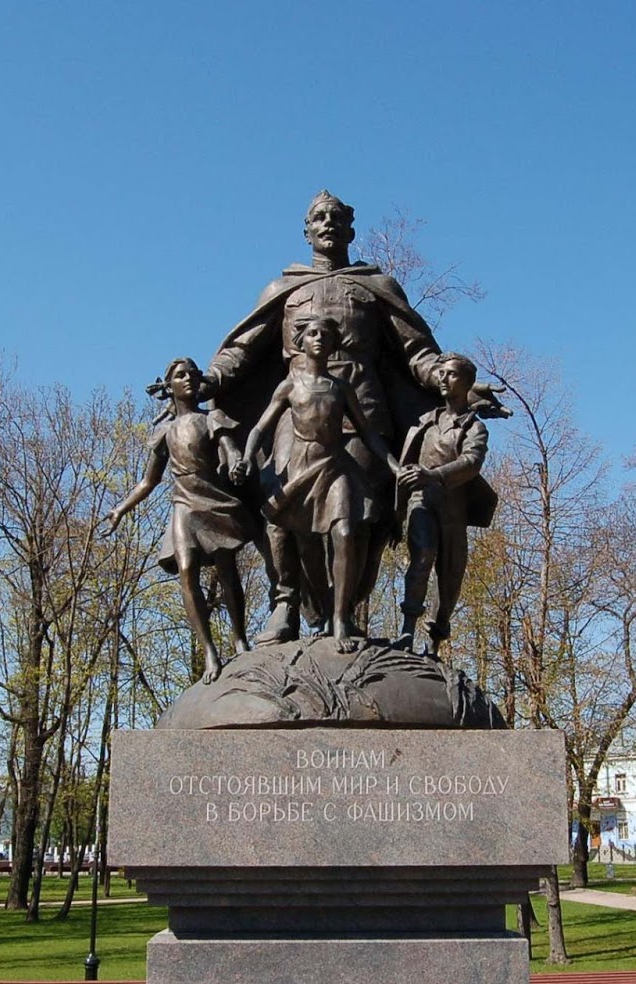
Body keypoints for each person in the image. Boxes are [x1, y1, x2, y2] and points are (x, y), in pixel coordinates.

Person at [204, 191, 449, 644]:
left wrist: (450, 380)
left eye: (337, 217)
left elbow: (416, 351)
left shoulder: (377, 287)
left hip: (363, 413)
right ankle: (286, 602)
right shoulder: (284, 290)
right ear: (307, 230)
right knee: (281, 507)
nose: (328, 223)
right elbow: (242, 350)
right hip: (297, 413)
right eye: (319, 217)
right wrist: (212, 379)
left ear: (351, 229)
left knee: (359, 520)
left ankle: (344, 611)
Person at [234, 313, 400, 651]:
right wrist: (248, 457)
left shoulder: (341, 388)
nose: (320, 339)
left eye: (326, 334)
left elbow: (367, 432)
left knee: (345, 532)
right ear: (302, 342)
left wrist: (395, 467)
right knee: (303, 545)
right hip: (301, 467)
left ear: (334, 343)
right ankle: (310, 610)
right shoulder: (290, 386)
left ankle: (340, 619)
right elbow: (260, 428)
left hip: (335, 465)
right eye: (313, 334)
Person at [105, 357, 257, 683]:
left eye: (192, 374)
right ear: (169, 385)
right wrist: (120, 509)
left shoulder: (211, 418)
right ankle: (209, 652)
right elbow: (148, 482)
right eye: (180, 375)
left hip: (213, 498)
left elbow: (230, 449)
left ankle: (239, 638)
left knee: (226, 571)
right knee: (187, 571)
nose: (187, 379)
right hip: (183, 504)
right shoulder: (164, 432)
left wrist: (235, 463)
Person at [395, 352, 498, 656]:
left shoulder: (474, 428)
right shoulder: (425, 421)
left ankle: (434, 641)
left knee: (450, 577)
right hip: (421, 501)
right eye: (441, 373)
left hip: (453, 508)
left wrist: (433, 475)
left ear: (466, 383)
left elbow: (471, 462)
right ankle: (406, 631)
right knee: (422, 556)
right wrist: (397, 509)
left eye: (451, 374)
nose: (442, 378)